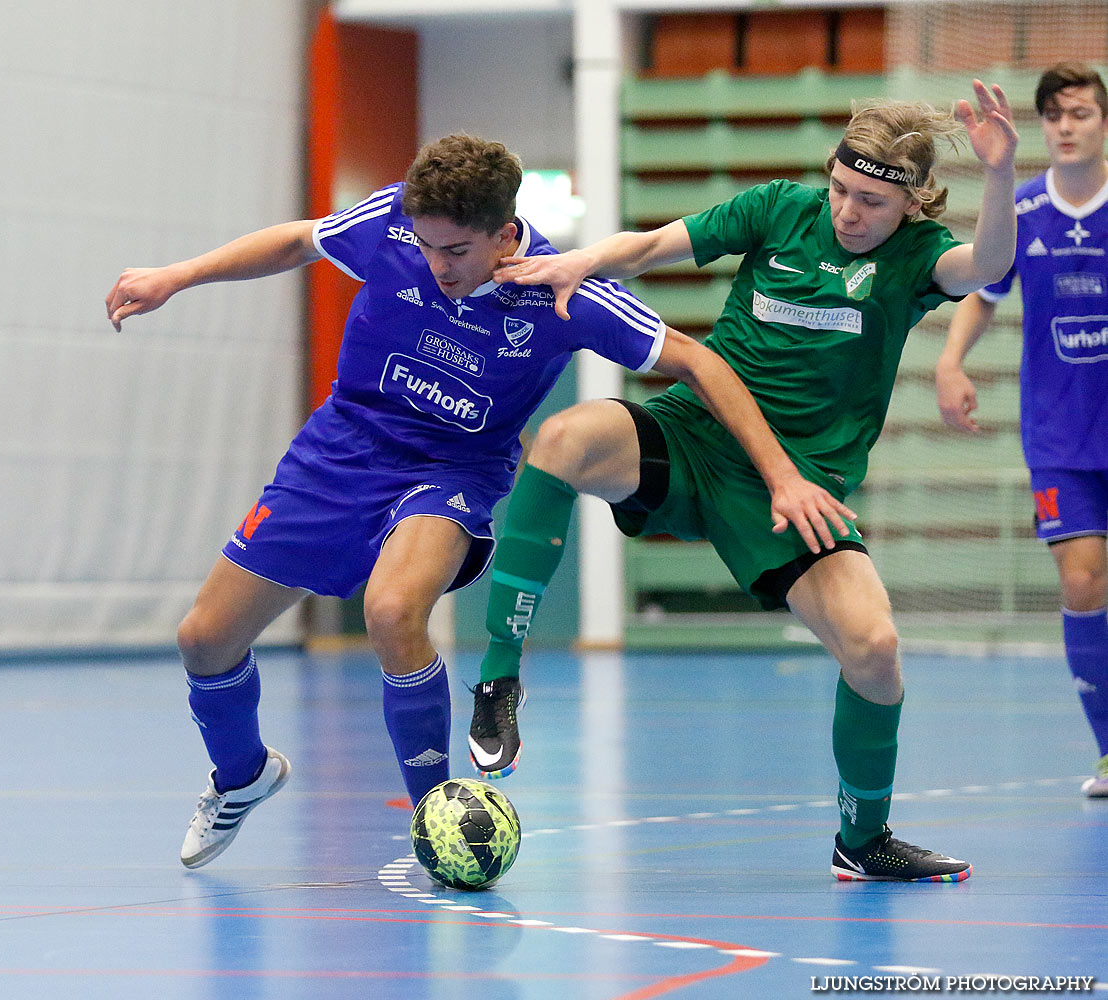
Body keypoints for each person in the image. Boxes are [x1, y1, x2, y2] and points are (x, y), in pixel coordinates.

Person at [106, 134, 850, 869]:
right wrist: (178, 276)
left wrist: (782, 474)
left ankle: (438, 823)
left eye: (455, 252)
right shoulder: (394, 221)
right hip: (343, 447)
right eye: (425, 248)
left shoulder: (566, 291)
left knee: (393, 612)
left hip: (455, 466)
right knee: (204, 639)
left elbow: (694, 359)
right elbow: (300, 242)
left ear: (504, 234)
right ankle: (243, 777)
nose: (436, 267)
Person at [472, 81, 1018, 882]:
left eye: (869, 201)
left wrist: (1002, 176)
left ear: (909, 205)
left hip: (799, 486)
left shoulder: (914, 260)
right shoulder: (776, 210)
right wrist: (583, 257)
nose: (846, 212)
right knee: (565, 438)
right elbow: (655, 244)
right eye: (838, 188)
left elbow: (991, 263)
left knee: (873, 650)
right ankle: (499, 676)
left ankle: (861, 839)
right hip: (697, 436)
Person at [935, 64, 1108, 799]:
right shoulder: (1027, 208)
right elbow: (983, 292)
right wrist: (949, 362)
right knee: (1082, 581)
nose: (1066, 125)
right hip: (1060, 437)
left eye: (1081, 112)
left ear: (1103, 122)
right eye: (1054, 115)